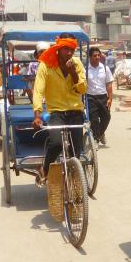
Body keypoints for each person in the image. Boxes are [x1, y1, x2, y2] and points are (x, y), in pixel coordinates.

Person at [32, 33, 87, 186]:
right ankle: (44, 169)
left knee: (76, 152)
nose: (69, 53)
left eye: (72, 49)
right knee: (56, 144)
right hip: (56, 112)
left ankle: (75, 183)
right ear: (58, 48)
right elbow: (38, 91)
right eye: (66, 49)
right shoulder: (46, 65)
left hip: (75, 111)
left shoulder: (76, 63)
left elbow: (82, 89)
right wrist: (37, 114)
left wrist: (73, 73)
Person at [87, 47, 113, 145]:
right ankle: (96, 140)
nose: (97, 57)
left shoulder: (105, 68)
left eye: (98, 55)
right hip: (90, 97)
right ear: (90, 57)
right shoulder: (86, 69)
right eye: (95, 56)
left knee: (107, 117)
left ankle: (99, 134)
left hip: (103, 97)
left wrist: (110, 98)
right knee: (94, 120)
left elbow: (109, 84)